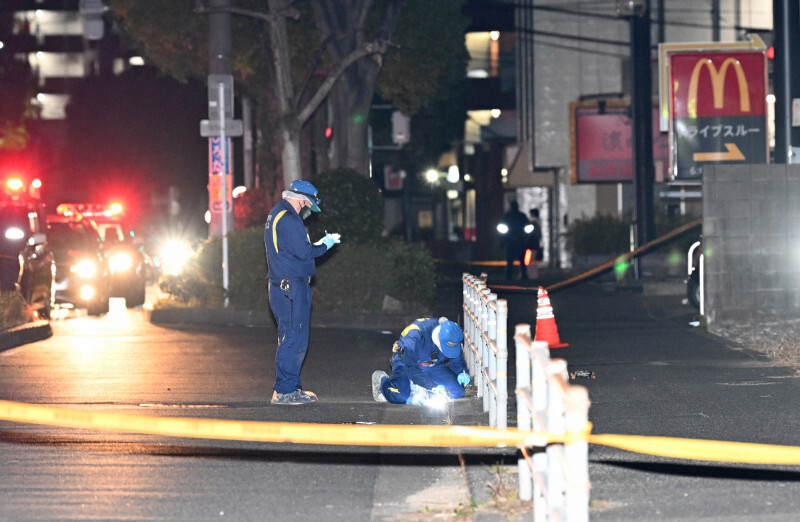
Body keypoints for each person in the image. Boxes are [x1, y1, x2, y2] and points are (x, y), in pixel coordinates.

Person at [265, 179, 340, 405]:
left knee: (290, 337)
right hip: (291, 287)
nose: (306, 210)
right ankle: (286, 392)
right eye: (307, 205)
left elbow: (292, 250)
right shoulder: (289, 218)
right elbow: (304, 253)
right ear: (301, 199)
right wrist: (325, 244)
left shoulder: (277, 214)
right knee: (294, 339)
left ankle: (288, 388)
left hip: (282, 285)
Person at [371, 318, 471, 404]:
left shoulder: (451, 333)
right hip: (406, 362)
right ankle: (382, 381)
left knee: (458, 391)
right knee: (401, 396)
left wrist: (462, 372)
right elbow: (411, 369)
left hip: (432, 365)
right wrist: (431, 386)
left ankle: (421, 391)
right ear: (438, 338)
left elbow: (456, 357)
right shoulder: (415, 334)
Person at [497, 200, 530, 280]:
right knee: (521, 260)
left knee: (511, 259)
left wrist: (502, 240)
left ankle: (509, 275)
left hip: (511, 240)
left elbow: (501, 228)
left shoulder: (507, 216)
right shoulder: (521, 216)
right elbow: (528, 227)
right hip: (519, 239)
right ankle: (523, 275)